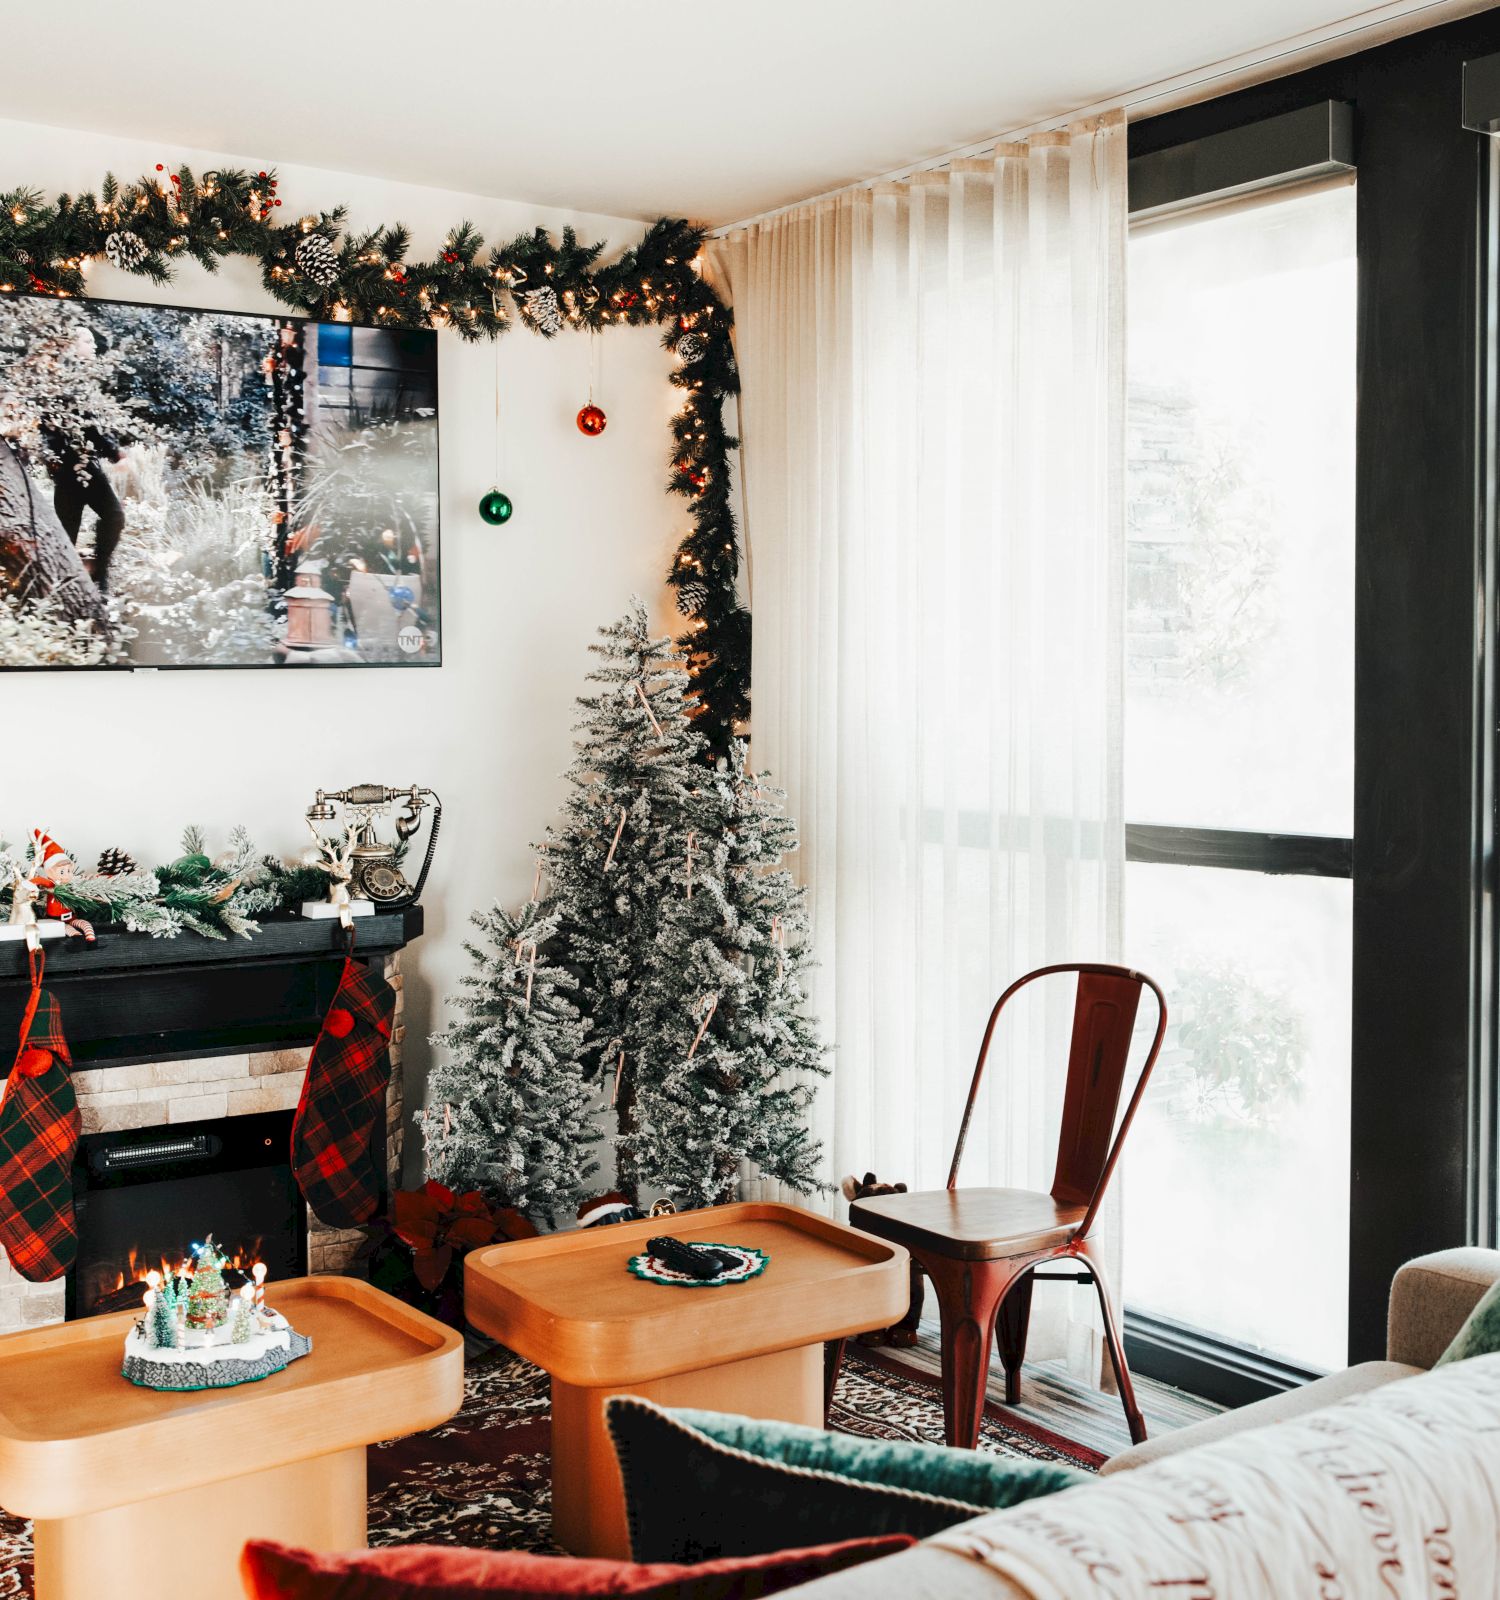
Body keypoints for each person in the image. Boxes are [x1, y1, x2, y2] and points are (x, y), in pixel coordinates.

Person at [46, 423, 127, 593]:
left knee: (115, 516)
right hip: (66, 479)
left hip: (91, 474)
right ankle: (66, 586)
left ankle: (100, 571)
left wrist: (113, 450)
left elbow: (94, 428)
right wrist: (114, 452)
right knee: (67, 538)